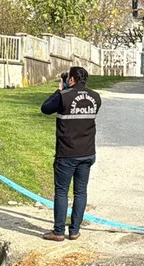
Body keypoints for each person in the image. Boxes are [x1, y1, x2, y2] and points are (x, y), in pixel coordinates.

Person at [40, 67, 102, 241]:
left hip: (67, 153)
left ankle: (58, 231)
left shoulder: (64, 96)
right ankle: (74, 230)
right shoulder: (96, 97)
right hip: (87, 152)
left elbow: (45, 108)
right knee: (80, 192)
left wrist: (59, 90)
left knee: (61, 192)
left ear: (72, 79)